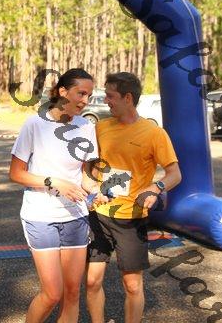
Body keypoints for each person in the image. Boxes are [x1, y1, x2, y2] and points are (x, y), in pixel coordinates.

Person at [85, 72, 182, 323]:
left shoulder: (154, 133)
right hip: (99, 215)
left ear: (128, 98)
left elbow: (175, 174)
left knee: (132, 285)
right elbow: (89, 167)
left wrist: (155, 187)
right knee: (92, 281)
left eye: (110, 96)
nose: (106, 101)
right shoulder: (100, 127)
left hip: (131, 219)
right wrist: (92, 186)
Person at [9, 68, 102, 323]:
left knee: (72, 293)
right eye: (81, 93)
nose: (85, 100)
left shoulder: (86, 126)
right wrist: (54, 182)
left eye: (89, 95)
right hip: (41, 216)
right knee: (52, 293)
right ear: (62, 91)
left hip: (75, 216)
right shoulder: (34, 124)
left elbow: (86, 175)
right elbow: (16, 174)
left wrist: (96, 190)